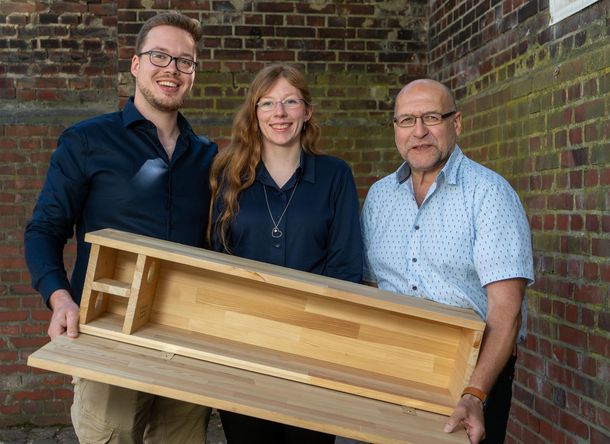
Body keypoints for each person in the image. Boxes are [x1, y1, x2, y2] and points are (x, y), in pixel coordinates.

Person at [24, 12, 217, 444]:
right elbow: (45, 229)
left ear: (192, 74)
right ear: (135, 64)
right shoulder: (87, 141)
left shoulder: (209, 157)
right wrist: (59, 300)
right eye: (160, 56)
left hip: (185, 342)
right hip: (108, 335)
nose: (171, 68)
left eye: (184, 61)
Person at [361, 79, 534, 444]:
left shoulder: (489, 194)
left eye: (431, 117)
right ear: (395, 129)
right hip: (394, 367)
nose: (419, 132)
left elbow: (506, 310)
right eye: (407, 120)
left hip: (469, 374)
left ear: (456, 124)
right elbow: (371, 288)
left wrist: (475, 394)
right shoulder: (379, 197)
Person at [208, 63, 363, 444]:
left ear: (306, 112)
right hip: (243, 348)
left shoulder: (335, 175)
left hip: (314, 350)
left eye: (290, 101)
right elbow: (215, 260)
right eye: (268, 103)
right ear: (254, 113)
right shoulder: (229, 175)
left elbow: (345, 264)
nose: (279, 113)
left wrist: (311, 335)